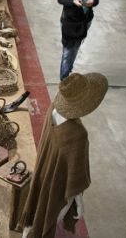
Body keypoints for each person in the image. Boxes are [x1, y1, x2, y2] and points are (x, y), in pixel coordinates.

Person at [18, 72, 109, 238]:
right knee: (48, 218)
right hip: (58, 189)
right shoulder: (78, 134)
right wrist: (79, 204)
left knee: (36, 210)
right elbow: (76, 177)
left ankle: (27, 233)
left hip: (42, 173)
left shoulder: (53, 108)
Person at [57, 0, 99, 81]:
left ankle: (68, 68)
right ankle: (64, 79)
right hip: (70, 21)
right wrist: (73, 2)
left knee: (75, 48)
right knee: (67, 50)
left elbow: (96, 0)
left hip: (85, 21)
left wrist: (92, 2)